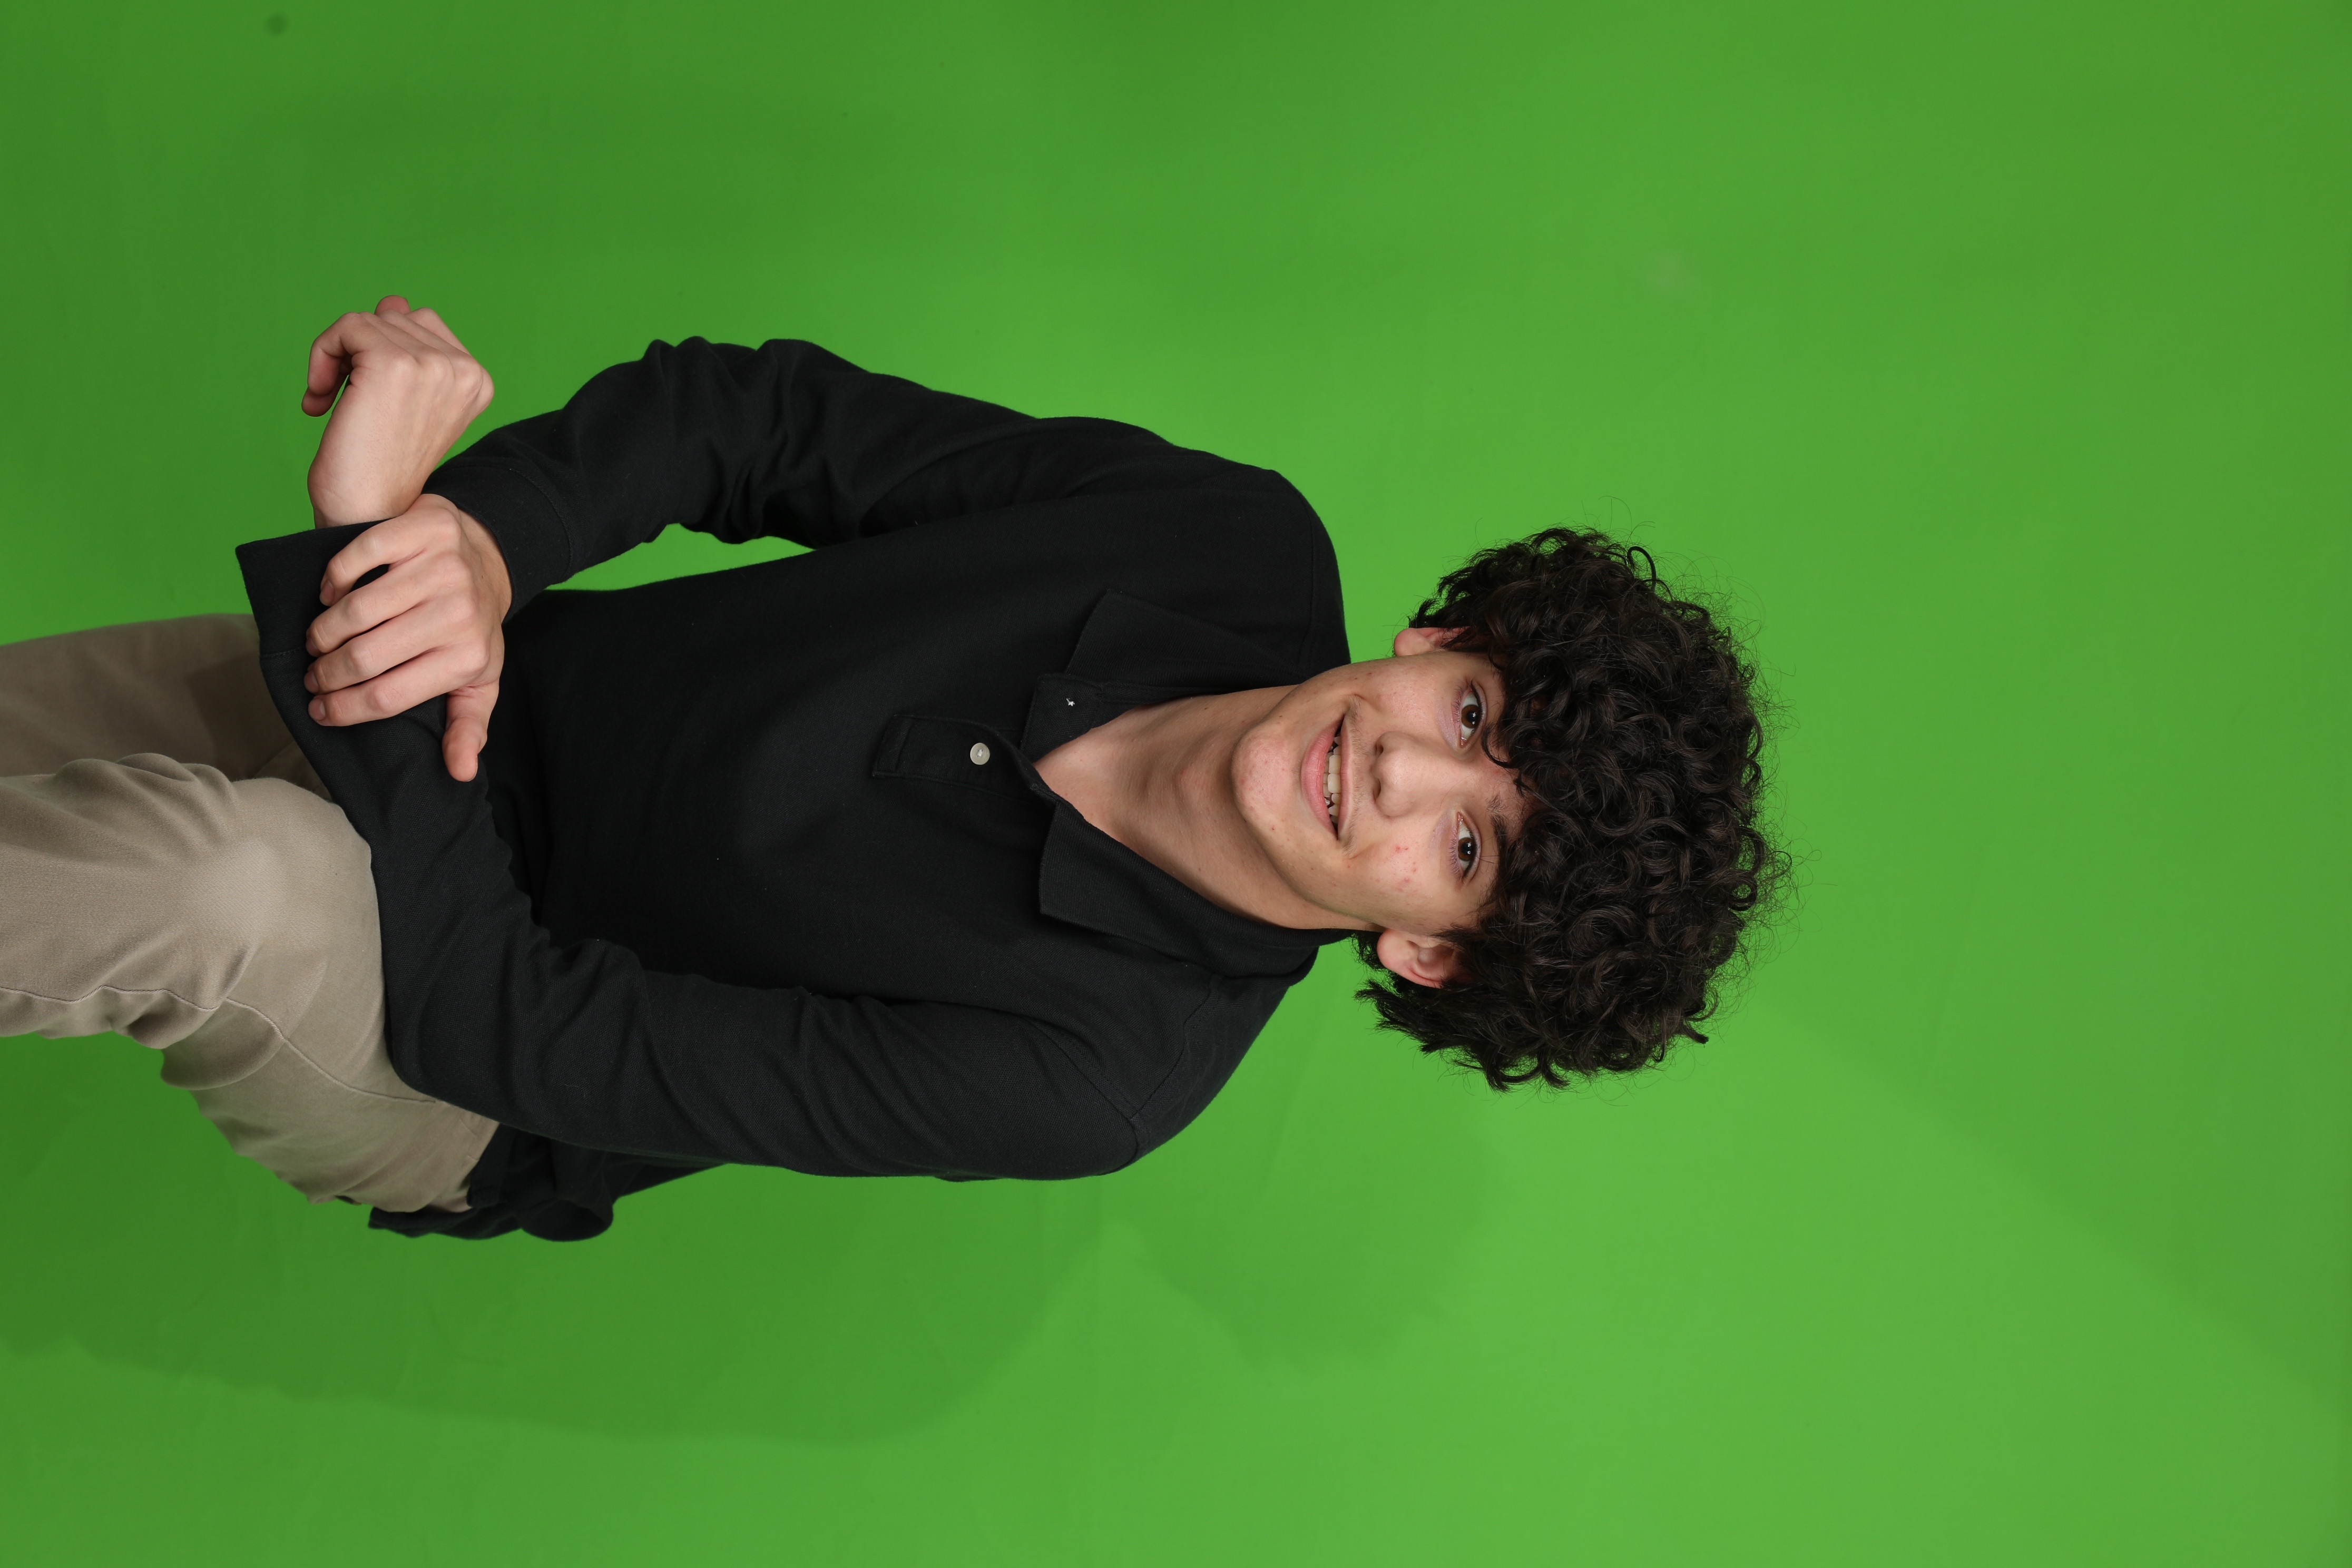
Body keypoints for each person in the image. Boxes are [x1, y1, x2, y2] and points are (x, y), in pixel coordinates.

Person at [1, 299, 1780, 1240]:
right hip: (481, 691)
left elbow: (508, 1022)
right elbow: (754, 420)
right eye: (1470, 718)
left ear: (1429, 955)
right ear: (1437, 641)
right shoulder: (1229, 542)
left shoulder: (1098, 1079)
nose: (1400, 778)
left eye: (1467, 853)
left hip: (450, 1046)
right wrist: (475, 547)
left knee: (228, 884)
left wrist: (373, 548)